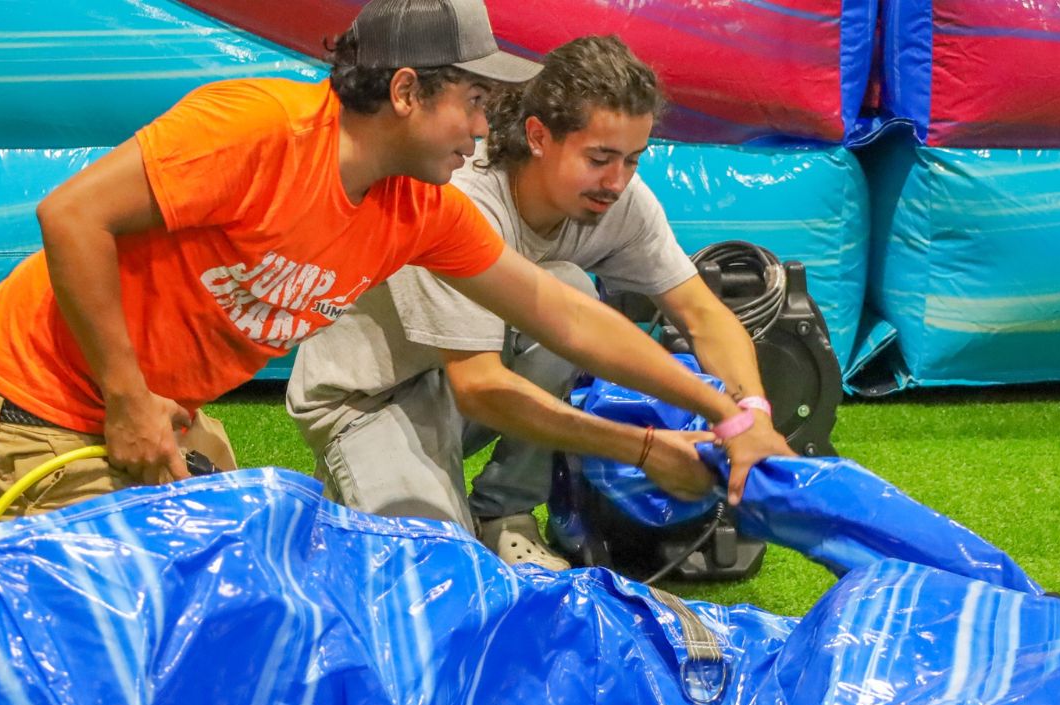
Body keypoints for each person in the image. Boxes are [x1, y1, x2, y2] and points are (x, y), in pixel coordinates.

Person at [0, 2, 778, 637]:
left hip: (160, 411)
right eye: (474, 102)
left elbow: (558, 316)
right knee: (92, 640)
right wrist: (128, 398)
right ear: (411, 91)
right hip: (47, 396)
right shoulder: (258, 129)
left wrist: (730, 412)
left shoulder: (418, 205)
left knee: (243, 601)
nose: (483, 126)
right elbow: (69, 216)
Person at [287, 36, 794, 570]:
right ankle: (373, 489)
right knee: (444, 579)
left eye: (632, 160)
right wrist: (645, 449)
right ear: (537, 136)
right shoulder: (458, 194)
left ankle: (503, 513)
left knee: (571, 286)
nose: (617, 182)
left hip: (462, 380)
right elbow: (480, 388)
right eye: (599, 158)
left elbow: (700, 312)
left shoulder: (617, 198)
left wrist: (750, 415)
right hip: (374, 398)